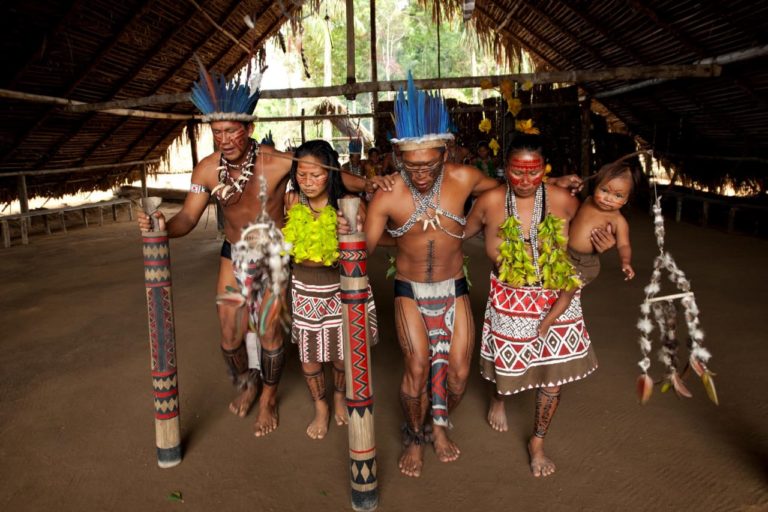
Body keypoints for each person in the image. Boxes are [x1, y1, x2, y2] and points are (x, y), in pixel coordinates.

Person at [136, 64, 391, 437]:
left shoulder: (275, 163)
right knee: (229, 333)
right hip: (233, 251)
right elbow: (187, 219)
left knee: (270, 332)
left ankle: (269, 396)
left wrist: (370, 181)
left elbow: (327, 172)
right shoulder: (206, 170)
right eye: (217, 131)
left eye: (231, 131)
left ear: (249, 129)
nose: (223, 139)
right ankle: (248, 381)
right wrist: (162, 224)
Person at [465, 131, 616, 478]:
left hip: (557, 296)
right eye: (518, 171)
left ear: (545, 169)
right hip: (509, 297)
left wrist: (602, 244)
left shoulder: (564, 199)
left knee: (553, 377)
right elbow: (460, 233)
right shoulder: (489, 200)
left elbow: (587, 238)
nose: (526, 180)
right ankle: (499, 398)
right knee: (508, 363)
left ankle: (537, 441)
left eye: (535, 172)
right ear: (505, 168)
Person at [282, 140, 378, 440]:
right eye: (301, 174)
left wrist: (349, 232)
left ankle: (338, 397)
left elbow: (365, 252)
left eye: (316, 175)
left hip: (339, 287)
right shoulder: (292, 201)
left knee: (340, 354)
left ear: (331, 174)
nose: (307, 182)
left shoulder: (350, 204)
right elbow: (285, 246)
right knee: (309, 356)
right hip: (304, 287)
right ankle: (320, 406)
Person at [537, 153, 638, 337]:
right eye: (604, 190)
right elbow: (555, 187)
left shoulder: (618, 220)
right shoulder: (588, 200)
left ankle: (547, 322)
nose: (608, 198)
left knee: (566, 293)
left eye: (618, 195)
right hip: (566, 254)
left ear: (626, 199)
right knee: (546, 275)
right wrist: (567, 183)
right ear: (595, 187)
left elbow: (624, 245)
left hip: (586, 263)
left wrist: (625, 262)